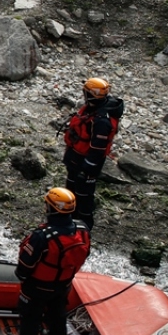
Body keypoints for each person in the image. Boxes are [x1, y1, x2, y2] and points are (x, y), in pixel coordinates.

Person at [11, 188, 91, 335]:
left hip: (37, 286)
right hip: (63, 284)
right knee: (57, 314)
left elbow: (26, 264)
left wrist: (22, 277)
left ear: (51, 208)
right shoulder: (83, 229)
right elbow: (85, 253)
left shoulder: (42, 236)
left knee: (30, 315)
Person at [62, 77, 124, 230]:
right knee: (71, 189)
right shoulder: (92, 109)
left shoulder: (102, 121)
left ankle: (84, 227)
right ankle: (69, 219)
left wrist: (87, 169)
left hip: (86, 163)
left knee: (83, 195)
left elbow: (97, 150)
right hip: (75, 157)